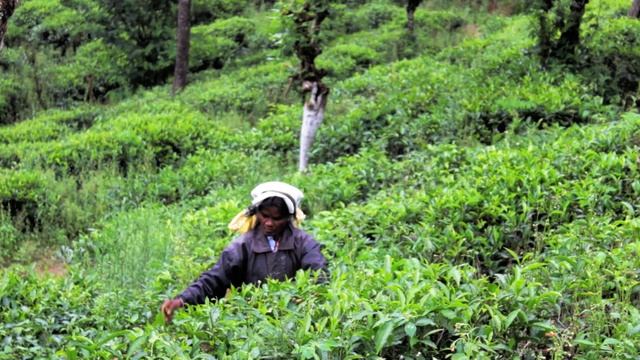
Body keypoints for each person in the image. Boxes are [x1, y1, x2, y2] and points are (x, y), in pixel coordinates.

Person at [161, 181, 328, 323]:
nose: (269, 223)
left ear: (288, 218)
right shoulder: (242, 246)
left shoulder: (305, 243)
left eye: (276, 218)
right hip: (251, 320)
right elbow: (214, 279)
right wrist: (182, 300)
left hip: (294, 320)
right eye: (265, 216)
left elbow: (319, 276)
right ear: (256, 214)